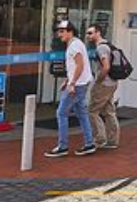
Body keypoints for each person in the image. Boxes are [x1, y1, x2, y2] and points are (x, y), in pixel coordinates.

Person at [45, 19, 96, 158]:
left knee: (61, 113)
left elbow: (80, 65)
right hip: (81, 83)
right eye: (59, 31)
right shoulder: (77, 43)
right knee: (82, 113)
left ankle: (63, 146)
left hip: (77, 85)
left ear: (70, 32)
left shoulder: (74, 46)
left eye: (62, 31)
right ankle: (89, 143)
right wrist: (68, 80)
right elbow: (76, 66)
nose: (59, 34)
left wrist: (72, 83)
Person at [85, 23, 121, 150]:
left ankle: (99, 139)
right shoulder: (109, 45)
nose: (88, 36)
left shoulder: (101, 48)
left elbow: (106, 67)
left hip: (104, 83)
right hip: (112, 82)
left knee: (92, 111)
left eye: (90, 33)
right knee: (109, 111)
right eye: (87, 33)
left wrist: (98, 80)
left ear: (98, 33)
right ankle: (113, 140)